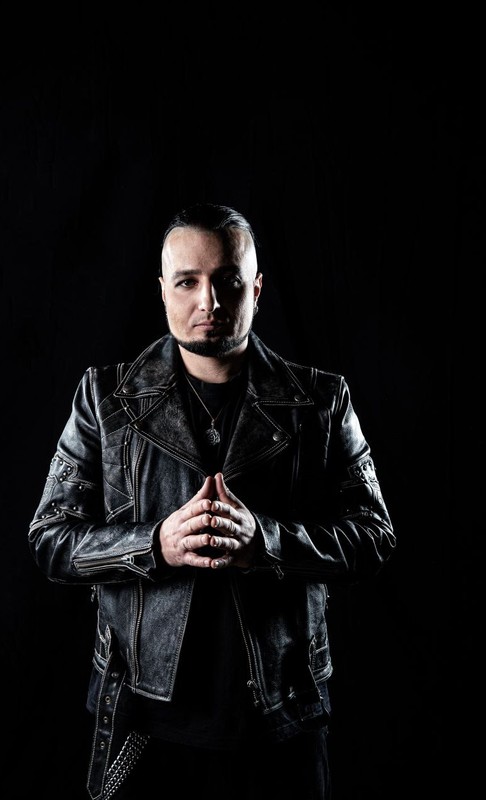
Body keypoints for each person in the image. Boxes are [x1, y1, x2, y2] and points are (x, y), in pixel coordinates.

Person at [28, 202, 396, 799]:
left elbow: (374, 536)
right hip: (144, 723)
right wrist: (155, 544)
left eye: (227, 280)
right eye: (188, 282)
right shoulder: (104, 399)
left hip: (281, 721)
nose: (210, 301)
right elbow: (50, 538)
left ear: (256, 287)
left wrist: (265, 543)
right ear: (162, 290)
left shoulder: (322, 402)